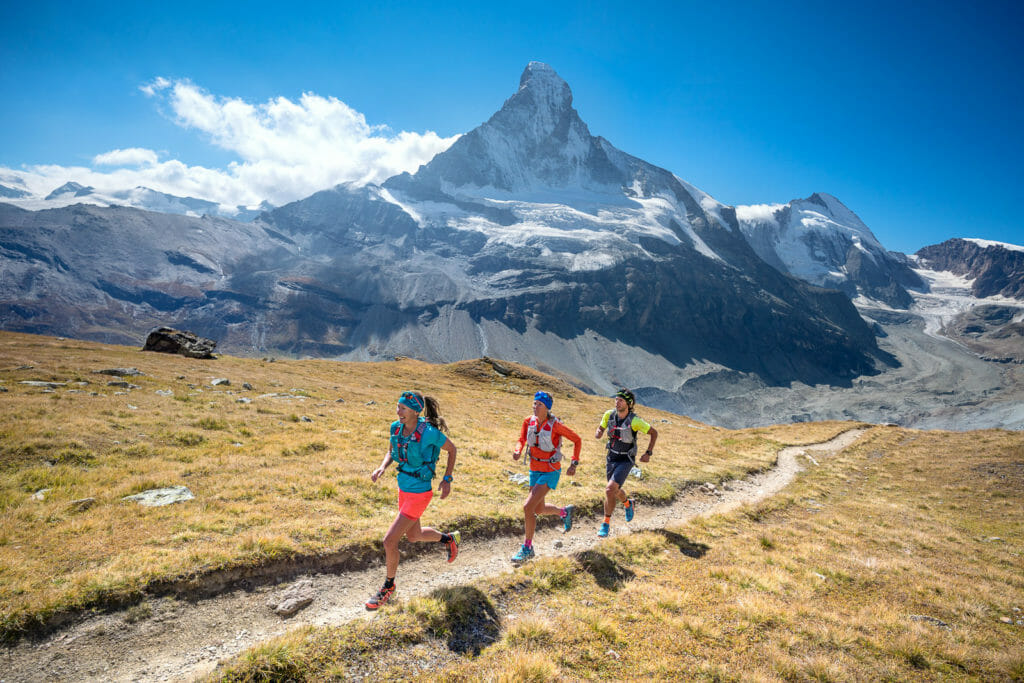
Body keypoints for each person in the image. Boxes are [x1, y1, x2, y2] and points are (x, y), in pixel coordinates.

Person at [365, 390, 459, 609]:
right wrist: (382, 467)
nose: (399, 412)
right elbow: (391, 451)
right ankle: (449, 540)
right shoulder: (395, 428)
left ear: (416, 411)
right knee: (414, 535)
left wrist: (447, 479)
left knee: (390, 541)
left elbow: (452, 449)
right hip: (403, 488)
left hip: (420, 493)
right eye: (398, 407)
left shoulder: (429, 433)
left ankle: (388, 587)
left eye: (403, 408)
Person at [510, 390, 582, 563]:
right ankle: (564, 512)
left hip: (550, 470)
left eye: (539, 404)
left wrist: (574, 463)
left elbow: (577, 439)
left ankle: (527, 548)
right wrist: (518, 450)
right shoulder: (528, 421)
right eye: (534, 403)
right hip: (534, 469)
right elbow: (522, 439)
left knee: (528, 507)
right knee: (538, 509)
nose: (535, 406)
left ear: (547, 408)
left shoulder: (556, 425)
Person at [594, 388, 657, 537]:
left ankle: (605, 524)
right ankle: (629, 504)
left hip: (625, 460)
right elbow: (601, 426)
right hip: (611, 457)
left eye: (620, 400)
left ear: (629, 404)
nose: (617, 402)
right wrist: (599, 432)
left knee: (609, 490)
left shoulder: (635, 421)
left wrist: (648, 453)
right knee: (614, 491)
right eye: (616, 399)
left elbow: (654, 433)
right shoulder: (609, 415)